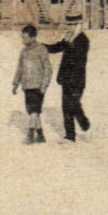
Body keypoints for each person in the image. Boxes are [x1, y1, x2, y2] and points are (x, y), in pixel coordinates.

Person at [44, 13, 91, 142]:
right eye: (68, 25)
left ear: (78, 25)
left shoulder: (83, 40)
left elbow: (79, 61)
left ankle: (84, 123)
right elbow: (57, 47)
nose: (69, 28)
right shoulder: (68, 38)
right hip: (66, 79)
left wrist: (69, 46)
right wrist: (42, 46)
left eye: (72, 25)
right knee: (66, 107)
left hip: (76, 80)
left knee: (73, 104)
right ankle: (70, 136)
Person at [11, 24, 53, 143]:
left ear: (33, 37)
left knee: (34, 111)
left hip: (38, 86)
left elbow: (48, 69)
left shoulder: (41, 50)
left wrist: (44, 85)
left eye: (24, 37)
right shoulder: (23, 52)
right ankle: (40, 135)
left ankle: (30, 134)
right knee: (33, 111)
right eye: (22, 37)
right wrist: (15, 83)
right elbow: (20, 68)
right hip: (27, 86)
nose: (22, 40)